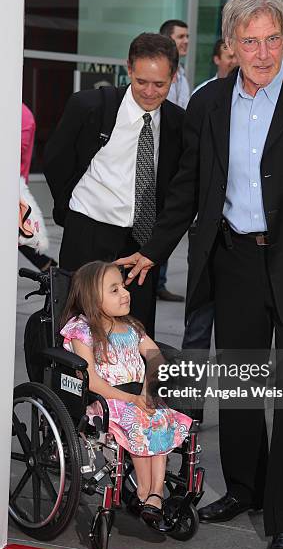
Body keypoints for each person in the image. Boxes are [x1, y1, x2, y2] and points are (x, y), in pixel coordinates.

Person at [116, 0, 283, 549]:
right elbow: (188, 188)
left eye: (273, 39)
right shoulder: (209, 103)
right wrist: (154, 248)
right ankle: (246, 488)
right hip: (235, 260)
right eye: (250, 41)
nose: (263, 51)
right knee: (245, 390)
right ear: (230, 45)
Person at [43, 33, 185, 337]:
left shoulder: (178, 123)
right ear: (129, 69)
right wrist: (69, 209)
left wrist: (156, 242)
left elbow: (177, 186)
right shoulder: (90, 106)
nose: (149, 92)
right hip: (89, 232)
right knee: (79, 327)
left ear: (173, 76)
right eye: (141, 81)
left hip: (141, 241)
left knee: (135, 328)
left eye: (159, 84)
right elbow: (56, 159)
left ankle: (127, 384)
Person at [60, 261, 192, 523]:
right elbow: (93, 382)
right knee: (141, 421)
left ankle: (155, 493)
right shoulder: (82, 331)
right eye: (114, 289)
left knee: (161, 417)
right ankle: (144, 490)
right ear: (92, 299)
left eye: (123, 286)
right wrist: (133, 399)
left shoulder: (131, 327)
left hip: (137, 396)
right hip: (106, 400)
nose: (125, 293)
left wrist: (147, 389)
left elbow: (156, 359)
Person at [155, 19, 191, 302]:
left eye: (188, 36)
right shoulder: (159, 71)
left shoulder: (183, 75)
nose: (186, 41)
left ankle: (159, 280)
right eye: (181, 36)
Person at [19, 103, 57, 272]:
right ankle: (47, 265)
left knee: (20, 233)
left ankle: (48, 266)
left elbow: (15, 151)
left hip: (11, 186)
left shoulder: (22, 115)